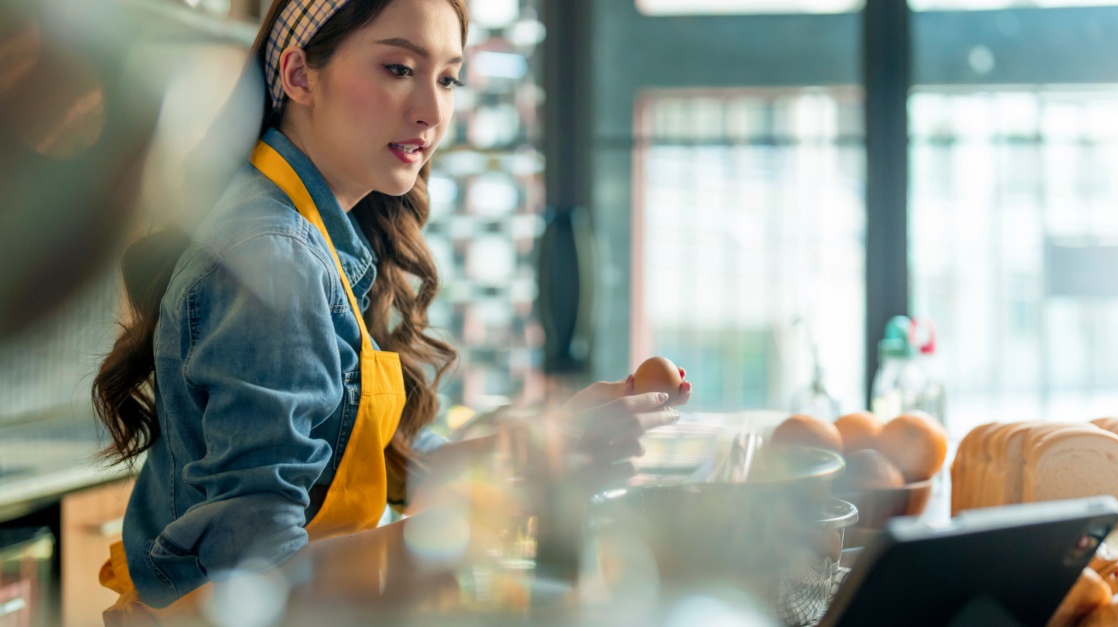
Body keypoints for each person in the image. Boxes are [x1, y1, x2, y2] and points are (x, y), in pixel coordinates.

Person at [90, 0, 691, 621]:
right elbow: (264, 584)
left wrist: (553, 437)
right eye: (399, 68)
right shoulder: (279, 261)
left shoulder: (314, 237)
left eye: (448, 78)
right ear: (299, 76)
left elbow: (398, 468)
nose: (432, 112)